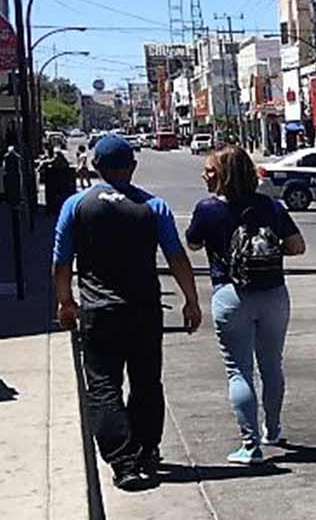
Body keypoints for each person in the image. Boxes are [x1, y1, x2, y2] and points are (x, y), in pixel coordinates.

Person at [53, 135, 202, 491]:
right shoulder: (154, 206)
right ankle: (147, 449)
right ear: (132, 167)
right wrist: (190, 300)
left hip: (98, 311)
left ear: (95, 167)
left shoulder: (75, 205)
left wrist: (65, 301)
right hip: (144, 310)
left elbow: (61, 261)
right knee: (147, 382)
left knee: (104, 386)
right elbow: (176, 256)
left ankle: (123, 463)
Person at [185, 146, 305, 466]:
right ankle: (273, 429)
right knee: (271, 365)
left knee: (239, 370)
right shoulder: (270, 206)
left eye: (209, 171)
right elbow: (297, 247)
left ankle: (250, 446)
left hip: (231, 295)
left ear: (223, 175)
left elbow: (193, 243)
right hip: (273, 295)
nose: (204, 175)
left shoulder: (207, 209)